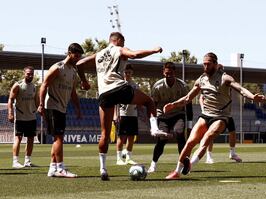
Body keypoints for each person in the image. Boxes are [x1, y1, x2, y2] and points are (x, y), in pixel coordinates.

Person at [76, 32, 169, 181]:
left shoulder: (99, 53)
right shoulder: (118, 49)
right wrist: (154, 50)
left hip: (104, 94)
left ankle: (103, 169)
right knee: (149, 101)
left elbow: (79, 64)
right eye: (123, 41)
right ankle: (154, 128)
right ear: (118, 40)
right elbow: (134, 55)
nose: (124, 43)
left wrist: (84, 81)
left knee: (105, 134)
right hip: (119, 88)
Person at [164, 52, 266, 179]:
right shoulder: (201, 80)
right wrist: (173, 105)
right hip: (205, 115)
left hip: (221, 117)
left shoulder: (225, 78)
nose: (206, 67)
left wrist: (252, 97)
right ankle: (176, 172)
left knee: (206, 138)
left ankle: (190, 164)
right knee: (190, 142)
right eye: (204, 64)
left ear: (216, 64)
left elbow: (240, 89)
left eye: (208, 64)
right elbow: (187, 98)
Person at [38, 43, 84, 178]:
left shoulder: (73, 72)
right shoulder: (57, 68)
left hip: (62, 107)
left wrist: (78, 109)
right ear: (69, 53)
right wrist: (40, 104)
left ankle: (53, 168)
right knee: (58, 138)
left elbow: (73, 92)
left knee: (58, 138)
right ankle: (60, 168)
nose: (78, 58)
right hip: (52, 105)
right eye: (76, 55)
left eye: (79, 56)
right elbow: (44, 85)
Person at [147, 62, 193, 173]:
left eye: (171, 73)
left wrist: (190, 125)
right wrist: (153, 125)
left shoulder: (183, 86)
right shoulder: (157, 86)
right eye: (167, 73)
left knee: (179, 134)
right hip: (163, 116)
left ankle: (183, 163)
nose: (169, 75)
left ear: (175, 73)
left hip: (178, 114)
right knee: (162, 140)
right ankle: (153, 164)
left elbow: (189, 105)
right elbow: (152, 106)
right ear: (163, 73)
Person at [8, 66, 38, 168]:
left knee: (31, 139)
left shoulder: (34, 86)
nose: (30, 75)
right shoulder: (18, 85)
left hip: (31, 116)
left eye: (32, 74)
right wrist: (10, 113)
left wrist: (39, 108)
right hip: (20, 117)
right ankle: (15, 162)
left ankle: (27, 161)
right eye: (28, 73)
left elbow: (36, 100)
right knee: (18, 138)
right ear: (24, 73)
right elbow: (10, 100)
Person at [114, 64, 139, 166]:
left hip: (133, 114)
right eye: (126, 72)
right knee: (121, 137)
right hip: (122, 114)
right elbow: (115, 101)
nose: (127, 74)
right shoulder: (119, 84)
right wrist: (116, 114)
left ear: (132, 73)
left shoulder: (135, 85)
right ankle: (119, 158)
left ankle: (128, 158)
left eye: (129, 72)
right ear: (123, 73)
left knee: (131, 137)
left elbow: (138, 99)